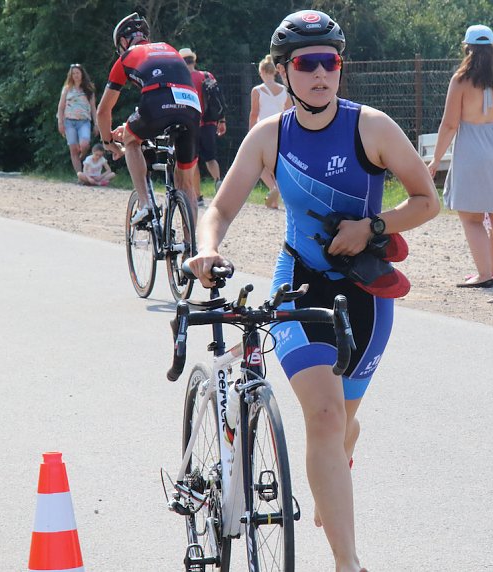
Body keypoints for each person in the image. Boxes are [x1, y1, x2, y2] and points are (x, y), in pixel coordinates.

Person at [187, 10, 439, 572]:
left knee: (342, 422)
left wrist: (372, 227)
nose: (320, 73)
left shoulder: (370, 127)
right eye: (306, 63)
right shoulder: (268, 137)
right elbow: (221, 207)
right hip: (297, 280)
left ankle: (341, 459)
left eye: (330, 62)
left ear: (340, 68)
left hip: (366, 290)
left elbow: (428, 201)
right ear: (284, 71)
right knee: (322, 416)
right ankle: (348, 563)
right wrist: (207, 247)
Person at [427, 24, 493, 288]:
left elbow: (449, 124)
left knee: (472, 217)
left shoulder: (460, 81)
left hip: (472, 151)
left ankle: (484, 275)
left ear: (467, 48)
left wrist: (435, 160)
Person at [95, 13, 201, 227]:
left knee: (131, 141)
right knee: (186, 183)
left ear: (124, 41)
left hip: (157, 103)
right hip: (191, 106)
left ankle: (146, 205)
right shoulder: (170, 49)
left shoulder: (126, 57)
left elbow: (103, 111)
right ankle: (191, 250)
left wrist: (110, 143)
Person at [179, 47, 227, 206]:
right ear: (194, 60)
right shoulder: (207, 76)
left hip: (190, 125)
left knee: (193, 161)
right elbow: (218, 100)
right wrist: (222, 121)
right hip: (209, 123)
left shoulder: (181, 79)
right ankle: (218, 181)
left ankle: (198, 197)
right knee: (211, 158)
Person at [248, 55, 292, 209]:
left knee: (260, 165)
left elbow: (254, 113)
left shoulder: (257, 90)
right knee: (276, 166)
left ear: (262, 71)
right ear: (274, 72)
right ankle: (274, 199)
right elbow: (289, 112)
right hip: (280, 131)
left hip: (263, 131)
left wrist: (250, 133)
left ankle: (275, 189)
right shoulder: (284, 90)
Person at [56, 64, 98, 177]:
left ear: (82, 74)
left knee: (84, 144)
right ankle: (80, 175)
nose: (76, 75)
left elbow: (93, 108)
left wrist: (96, 124)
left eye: (77, 73)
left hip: (84, 121)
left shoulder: (89, 89)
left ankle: (82, 157)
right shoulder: (67, 89)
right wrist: (60, 122)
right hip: (69, 121)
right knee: (73, 148)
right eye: (73, 73)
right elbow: (61, 107)